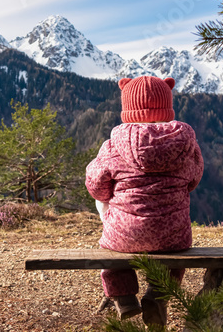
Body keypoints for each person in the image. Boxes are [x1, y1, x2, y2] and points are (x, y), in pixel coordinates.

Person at [85, 76, 204, 325]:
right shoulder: (186, 145)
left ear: (127, 108)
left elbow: (96, 187)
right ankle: (159, 294)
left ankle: (124, 296)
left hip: (123, 236)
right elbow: (192, 181)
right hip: (174, 237)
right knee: (175, 245)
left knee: (110, 244)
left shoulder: (112, 147)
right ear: (167, 106)